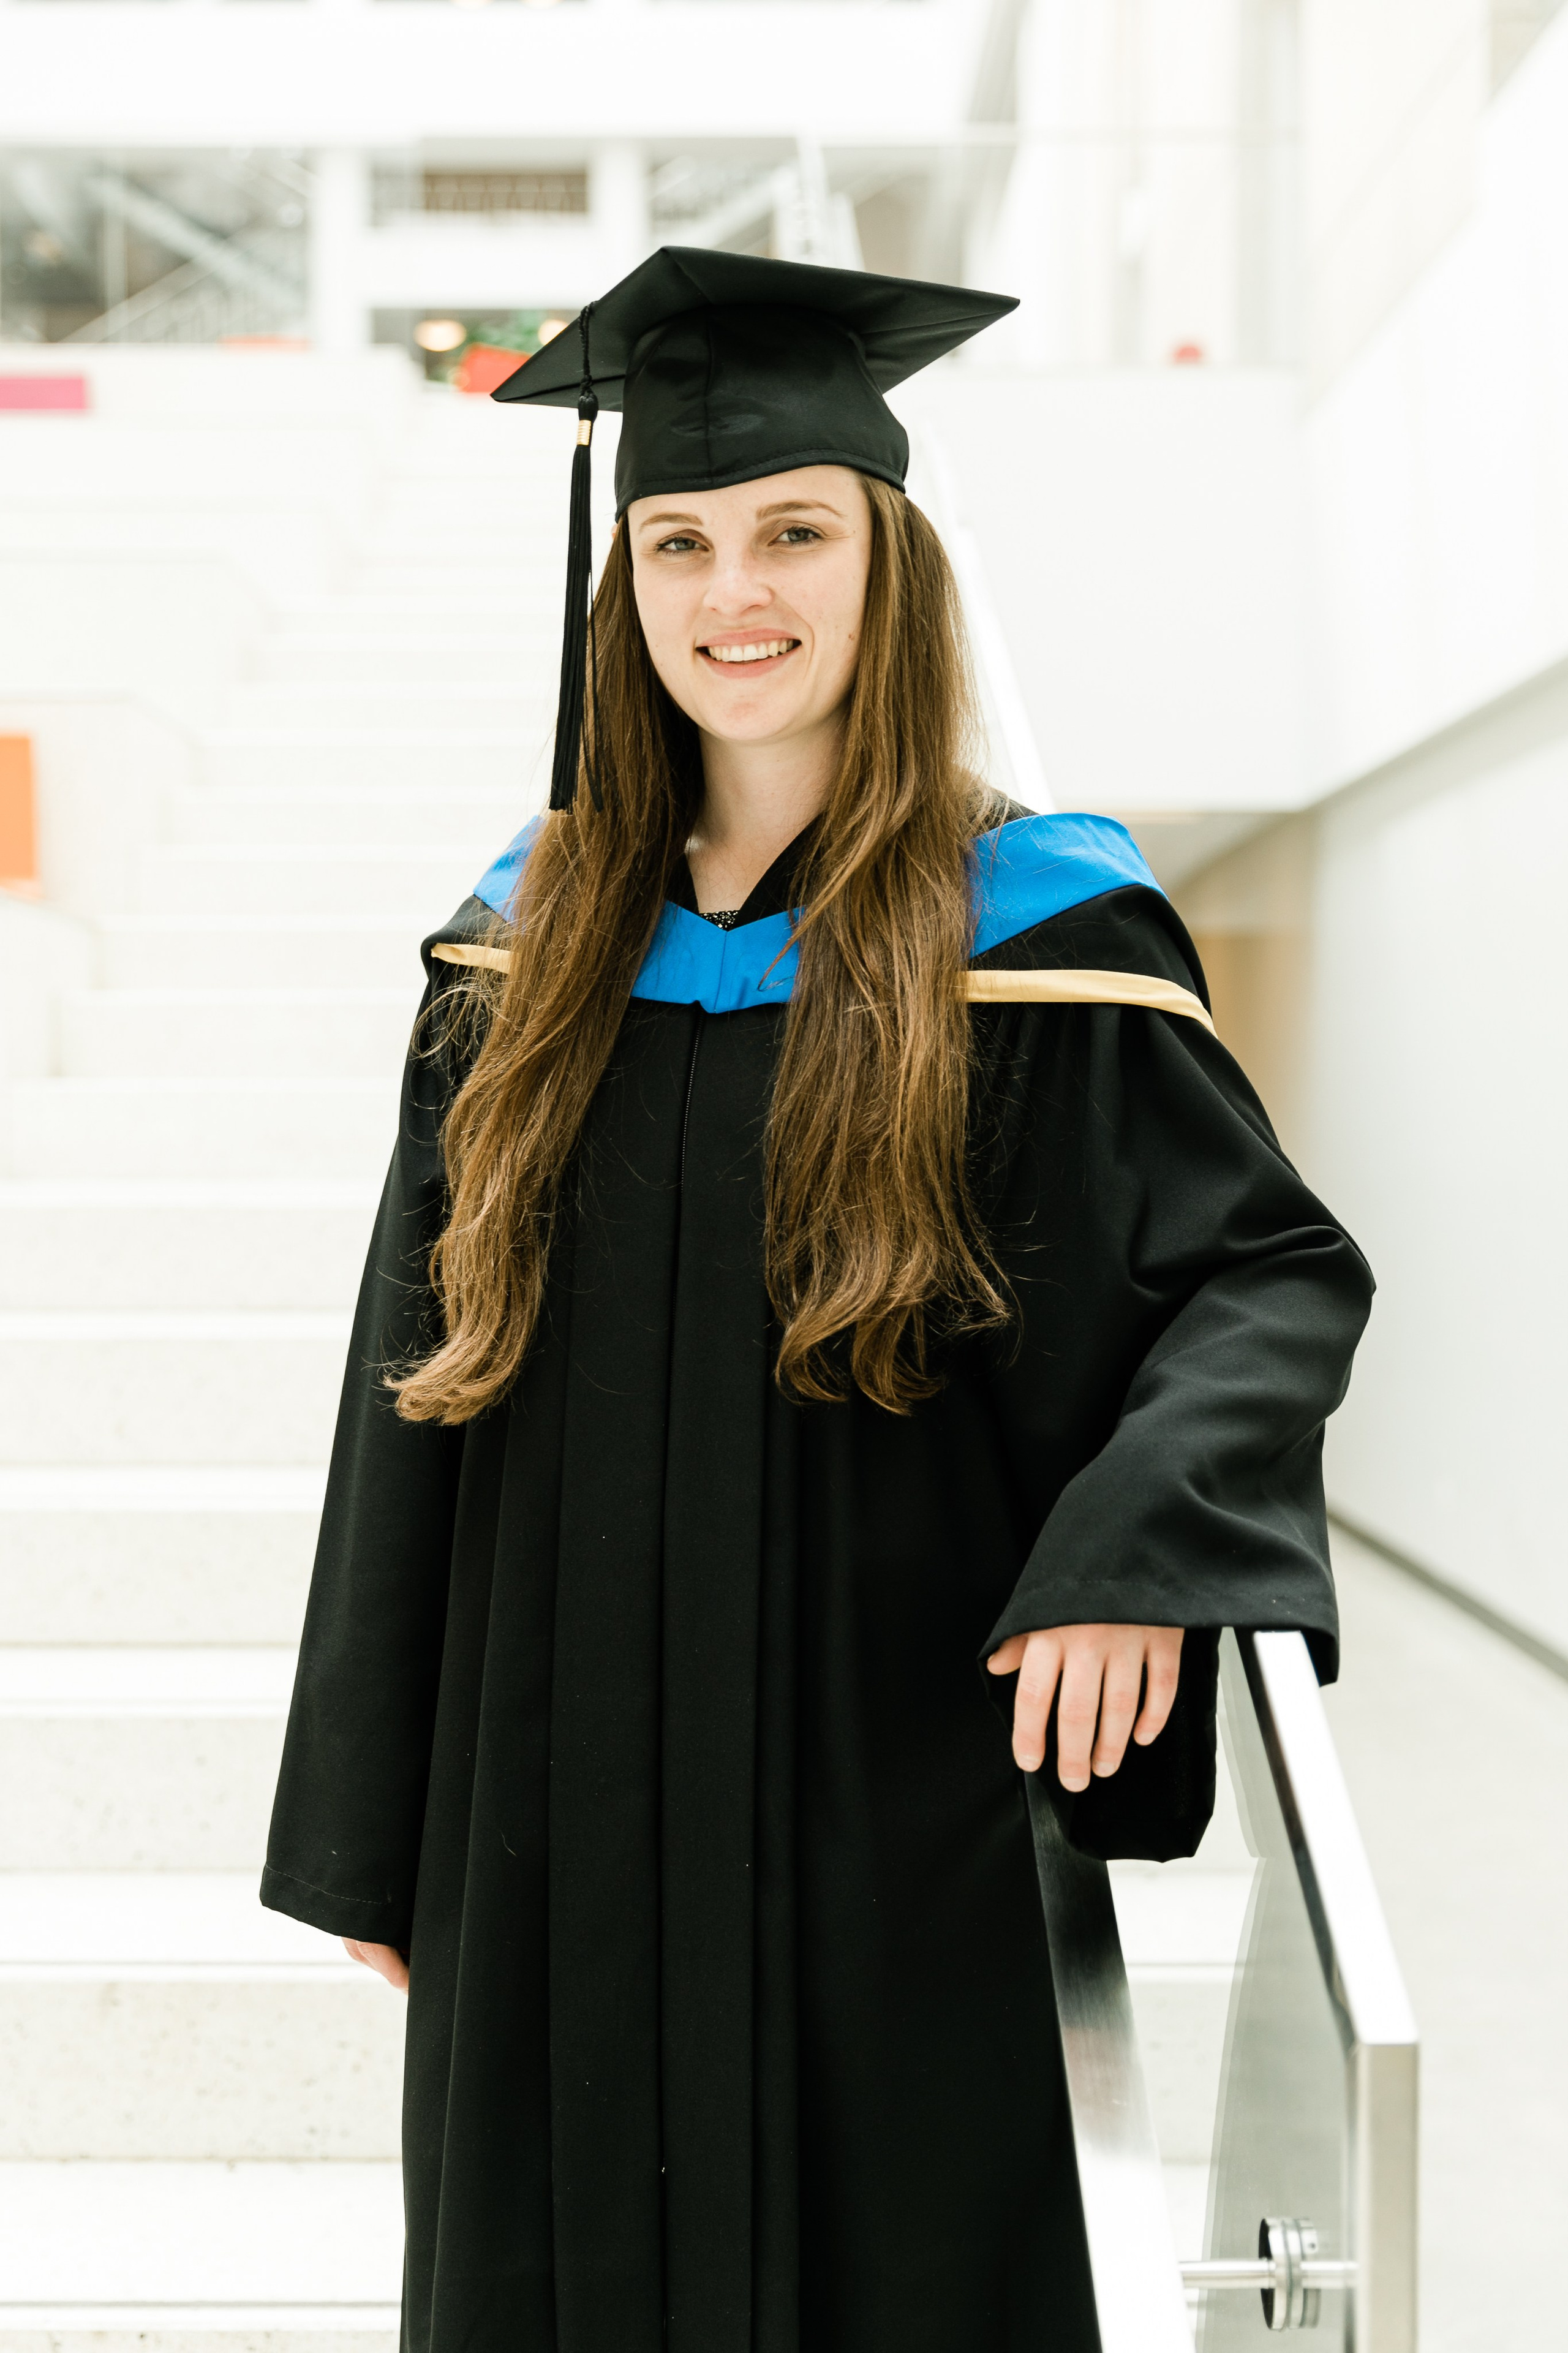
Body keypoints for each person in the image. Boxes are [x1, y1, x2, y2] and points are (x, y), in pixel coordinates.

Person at [262, 249, 1373, 2353]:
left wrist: (1139, 1552)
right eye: (679, 541)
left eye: (794, 530)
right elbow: (408, 1376)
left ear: (892, 563)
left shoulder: (1035, 937)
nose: (732, 591)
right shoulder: (519, 952)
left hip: (886, 1804)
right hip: (550, 1808)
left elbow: (1264, 1273)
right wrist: (377, 1821)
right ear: (625, 584)